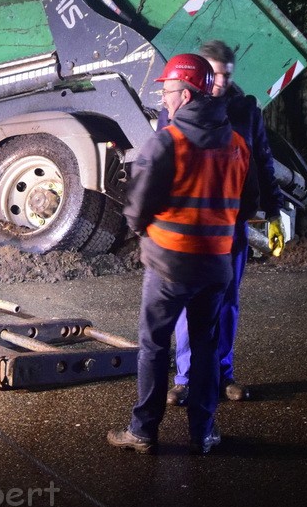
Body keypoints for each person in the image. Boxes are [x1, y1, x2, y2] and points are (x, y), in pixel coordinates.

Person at [107, 53, 255, 455]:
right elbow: (249, 203)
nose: (165, 100)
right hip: (216, 265)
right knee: (206, 345)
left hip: (170, 263)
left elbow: (136, 210)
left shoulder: (167, 141)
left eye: (169, 91)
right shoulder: (238, 143)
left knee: (154, 345)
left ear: (187, 95)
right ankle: (203, 433)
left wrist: (150, 234)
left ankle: (143, 432)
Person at [165, 40, 286, 407]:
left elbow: (263, 161)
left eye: (227, 76)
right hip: (192, 225)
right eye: (215, 74)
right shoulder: (182, 106)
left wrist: (274, 212)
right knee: (188, 303)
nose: (220, 83)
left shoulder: (246, 110)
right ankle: (185, 379)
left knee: (228, 302)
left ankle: (222, 375)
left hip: (234, 223)